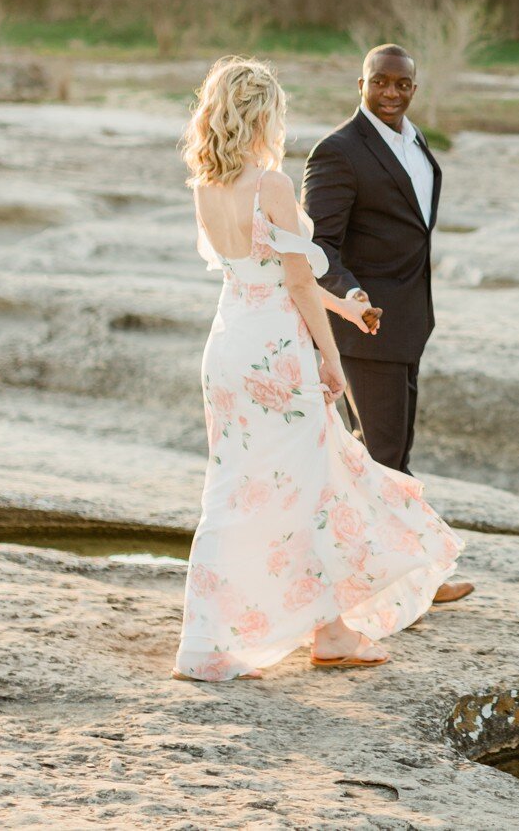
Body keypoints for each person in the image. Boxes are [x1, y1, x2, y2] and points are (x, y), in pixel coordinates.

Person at [173, 56, 462, 682]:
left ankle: (236, 638)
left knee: (240, 489)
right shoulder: (270, 185)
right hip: (277, 351)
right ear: (261, 113)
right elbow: (298, 283)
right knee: (308, 487)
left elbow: (268, 272)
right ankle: (326, 631)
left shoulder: (206, 185)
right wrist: (332, 362)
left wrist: (349, 306)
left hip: (228, 347)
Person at [303, 43, 473, 604]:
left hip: (409, 323)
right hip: (365, 326)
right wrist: (350, 293)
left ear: (414, 89)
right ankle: (395, 586)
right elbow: (318, 247)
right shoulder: (338, 151)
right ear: (361, 83)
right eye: (381, 83)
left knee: (389, 452)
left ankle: (404, 578)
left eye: (402, 85)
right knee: (380, 456)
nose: (392, 93)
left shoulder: (416, 141)